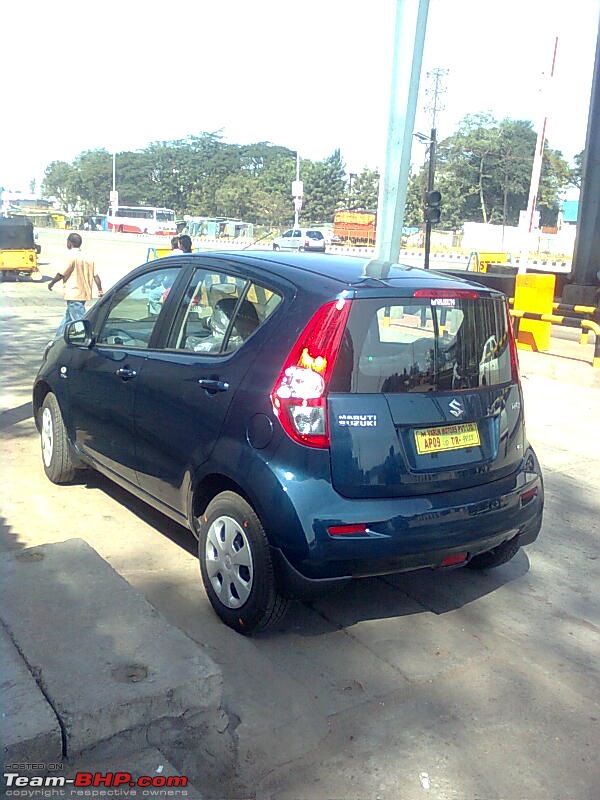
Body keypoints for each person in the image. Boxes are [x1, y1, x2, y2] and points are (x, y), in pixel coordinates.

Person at [48, 233, 103, 337]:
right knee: (68, 319)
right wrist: (100, 289)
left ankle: (90, 339)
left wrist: (52, 283)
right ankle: (57, 340)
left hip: (73, 293)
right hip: (84, 293)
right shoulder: (88, 257)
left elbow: (61, 273)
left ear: (70, 243)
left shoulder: (70, 256)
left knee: (80, 320)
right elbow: (96, 276)